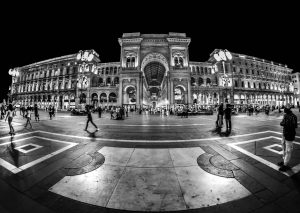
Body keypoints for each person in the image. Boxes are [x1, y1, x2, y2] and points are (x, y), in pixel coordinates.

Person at [278, 104, 297, 172]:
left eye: (285, 108)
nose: (284, 110)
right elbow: (281, 123)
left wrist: (285, 123)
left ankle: (285, 164)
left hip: (290, 135)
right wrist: (285, 123)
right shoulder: (285, 115)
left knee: (288, 150)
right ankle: (284, 161)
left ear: (289, 109)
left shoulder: (293, 116)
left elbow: (294, 125)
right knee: (283, 147)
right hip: (284, 133)